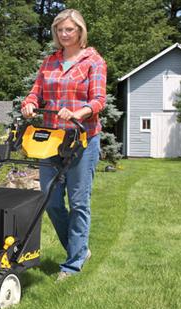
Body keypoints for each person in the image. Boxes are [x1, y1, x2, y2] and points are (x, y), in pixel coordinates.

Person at [21, 9, 107, 281]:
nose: (64, 34)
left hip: (82, 139)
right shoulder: (50, 61)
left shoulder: (93, 61)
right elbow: (37, 90)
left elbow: (98, 100)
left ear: (80, 31)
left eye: (69, 29)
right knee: (51, 199)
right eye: (60, 30)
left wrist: (78, 113)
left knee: (79, 202)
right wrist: (30, 103)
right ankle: (79, 249)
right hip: (52, 140)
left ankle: (72, 264)